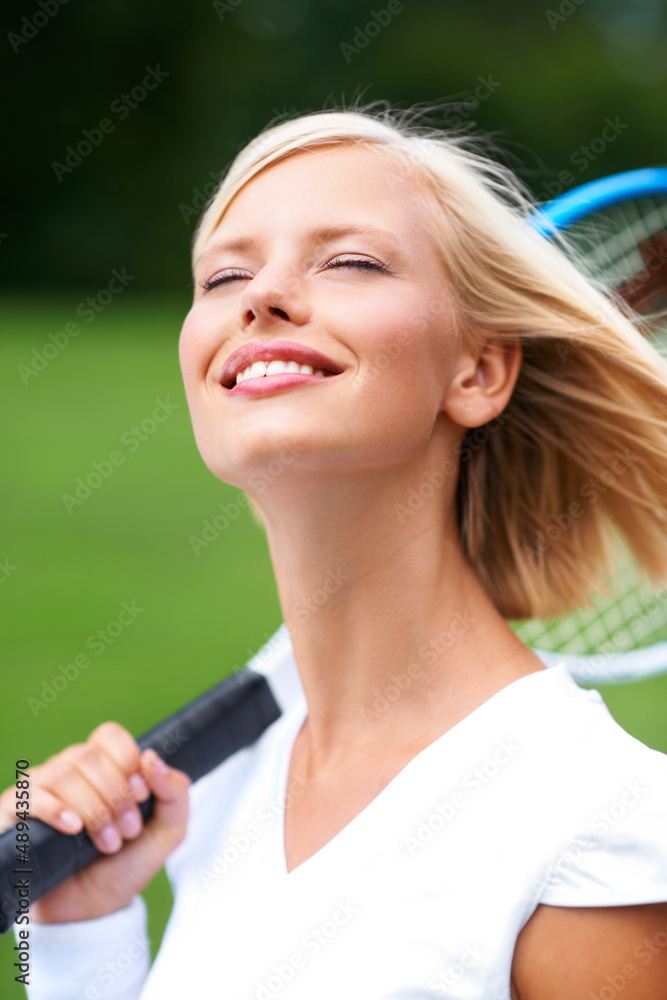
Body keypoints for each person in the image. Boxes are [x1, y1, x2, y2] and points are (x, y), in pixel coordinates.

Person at [3, 103, 667, 999]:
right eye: (223, 274)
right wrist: (83, 936)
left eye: (350, 261)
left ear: (476, 371)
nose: (260, 296)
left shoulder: (600, 826)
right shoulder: (231, 779)